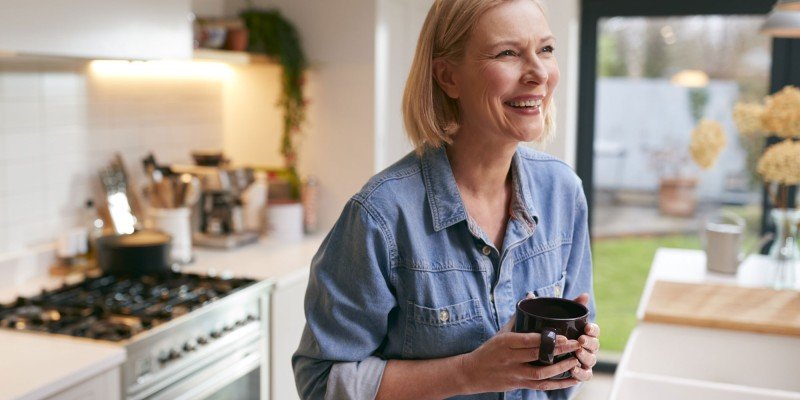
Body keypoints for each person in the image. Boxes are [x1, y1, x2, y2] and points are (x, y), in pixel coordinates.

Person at [293, 0, 600, 398]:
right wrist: (472, 372)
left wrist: (576, 358)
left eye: (545, 49)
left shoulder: (563, 192)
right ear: (447, 77)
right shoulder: (380, 217)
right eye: (508, 53)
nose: (539, 73)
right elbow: (321, 384)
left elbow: (561, 380)